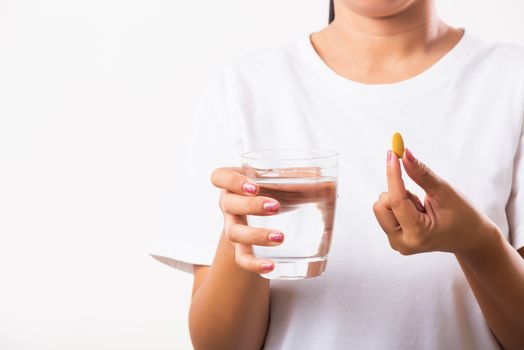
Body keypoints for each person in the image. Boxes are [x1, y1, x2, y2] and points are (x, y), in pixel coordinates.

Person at [152, 0, 524, 348]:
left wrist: (479, 244)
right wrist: (243, 234)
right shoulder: (244, 90)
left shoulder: (512, 80)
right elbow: (222, 344)